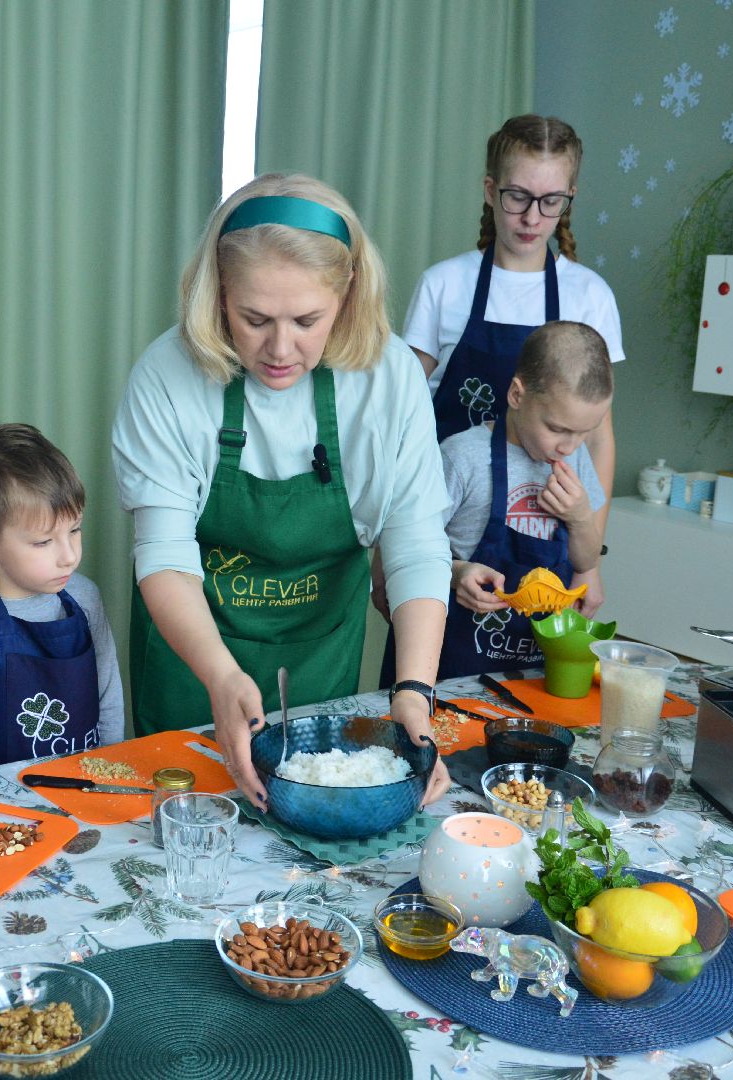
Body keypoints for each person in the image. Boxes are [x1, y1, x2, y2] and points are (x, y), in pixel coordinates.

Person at [112, 173, 452, 809]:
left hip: (320, 674)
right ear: (217, 294)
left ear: (348, 292)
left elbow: (415, 544)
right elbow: (162, 551)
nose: (279, 348)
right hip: (194, 674)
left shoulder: (390, 378)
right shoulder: (167, 375)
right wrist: (218, 674)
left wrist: (414, 690)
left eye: (307, 320)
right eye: (254, 318)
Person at [399, 114, 624, 617]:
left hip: (544, 534)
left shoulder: (589, 295)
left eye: (551, 202)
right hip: (446, 538)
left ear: (569, 198)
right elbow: (403, 419)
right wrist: (389, 556)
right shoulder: (444, 285)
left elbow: (601, 437)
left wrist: (590, 563)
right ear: (489, 189)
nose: (531, 217)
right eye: (516, 196)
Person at [0, 423, 125, 772]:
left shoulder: (85, 597)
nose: (69, 555)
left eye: (74, 530)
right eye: (43, 542)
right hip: (8, 810)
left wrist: (112, 778)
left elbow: (109, 702)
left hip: (90, 787)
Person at [438, 321, 611, 679]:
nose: (569, 446)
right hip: (458, 665)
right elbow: (409, 550)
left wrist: (580, 518)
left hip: (535, 669)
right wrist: (457, 573)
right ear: (517, 395)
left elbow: (586, 559)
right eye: (558, 429)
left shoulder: (575, 459)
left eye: (584, 433)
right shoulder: (463, 457)